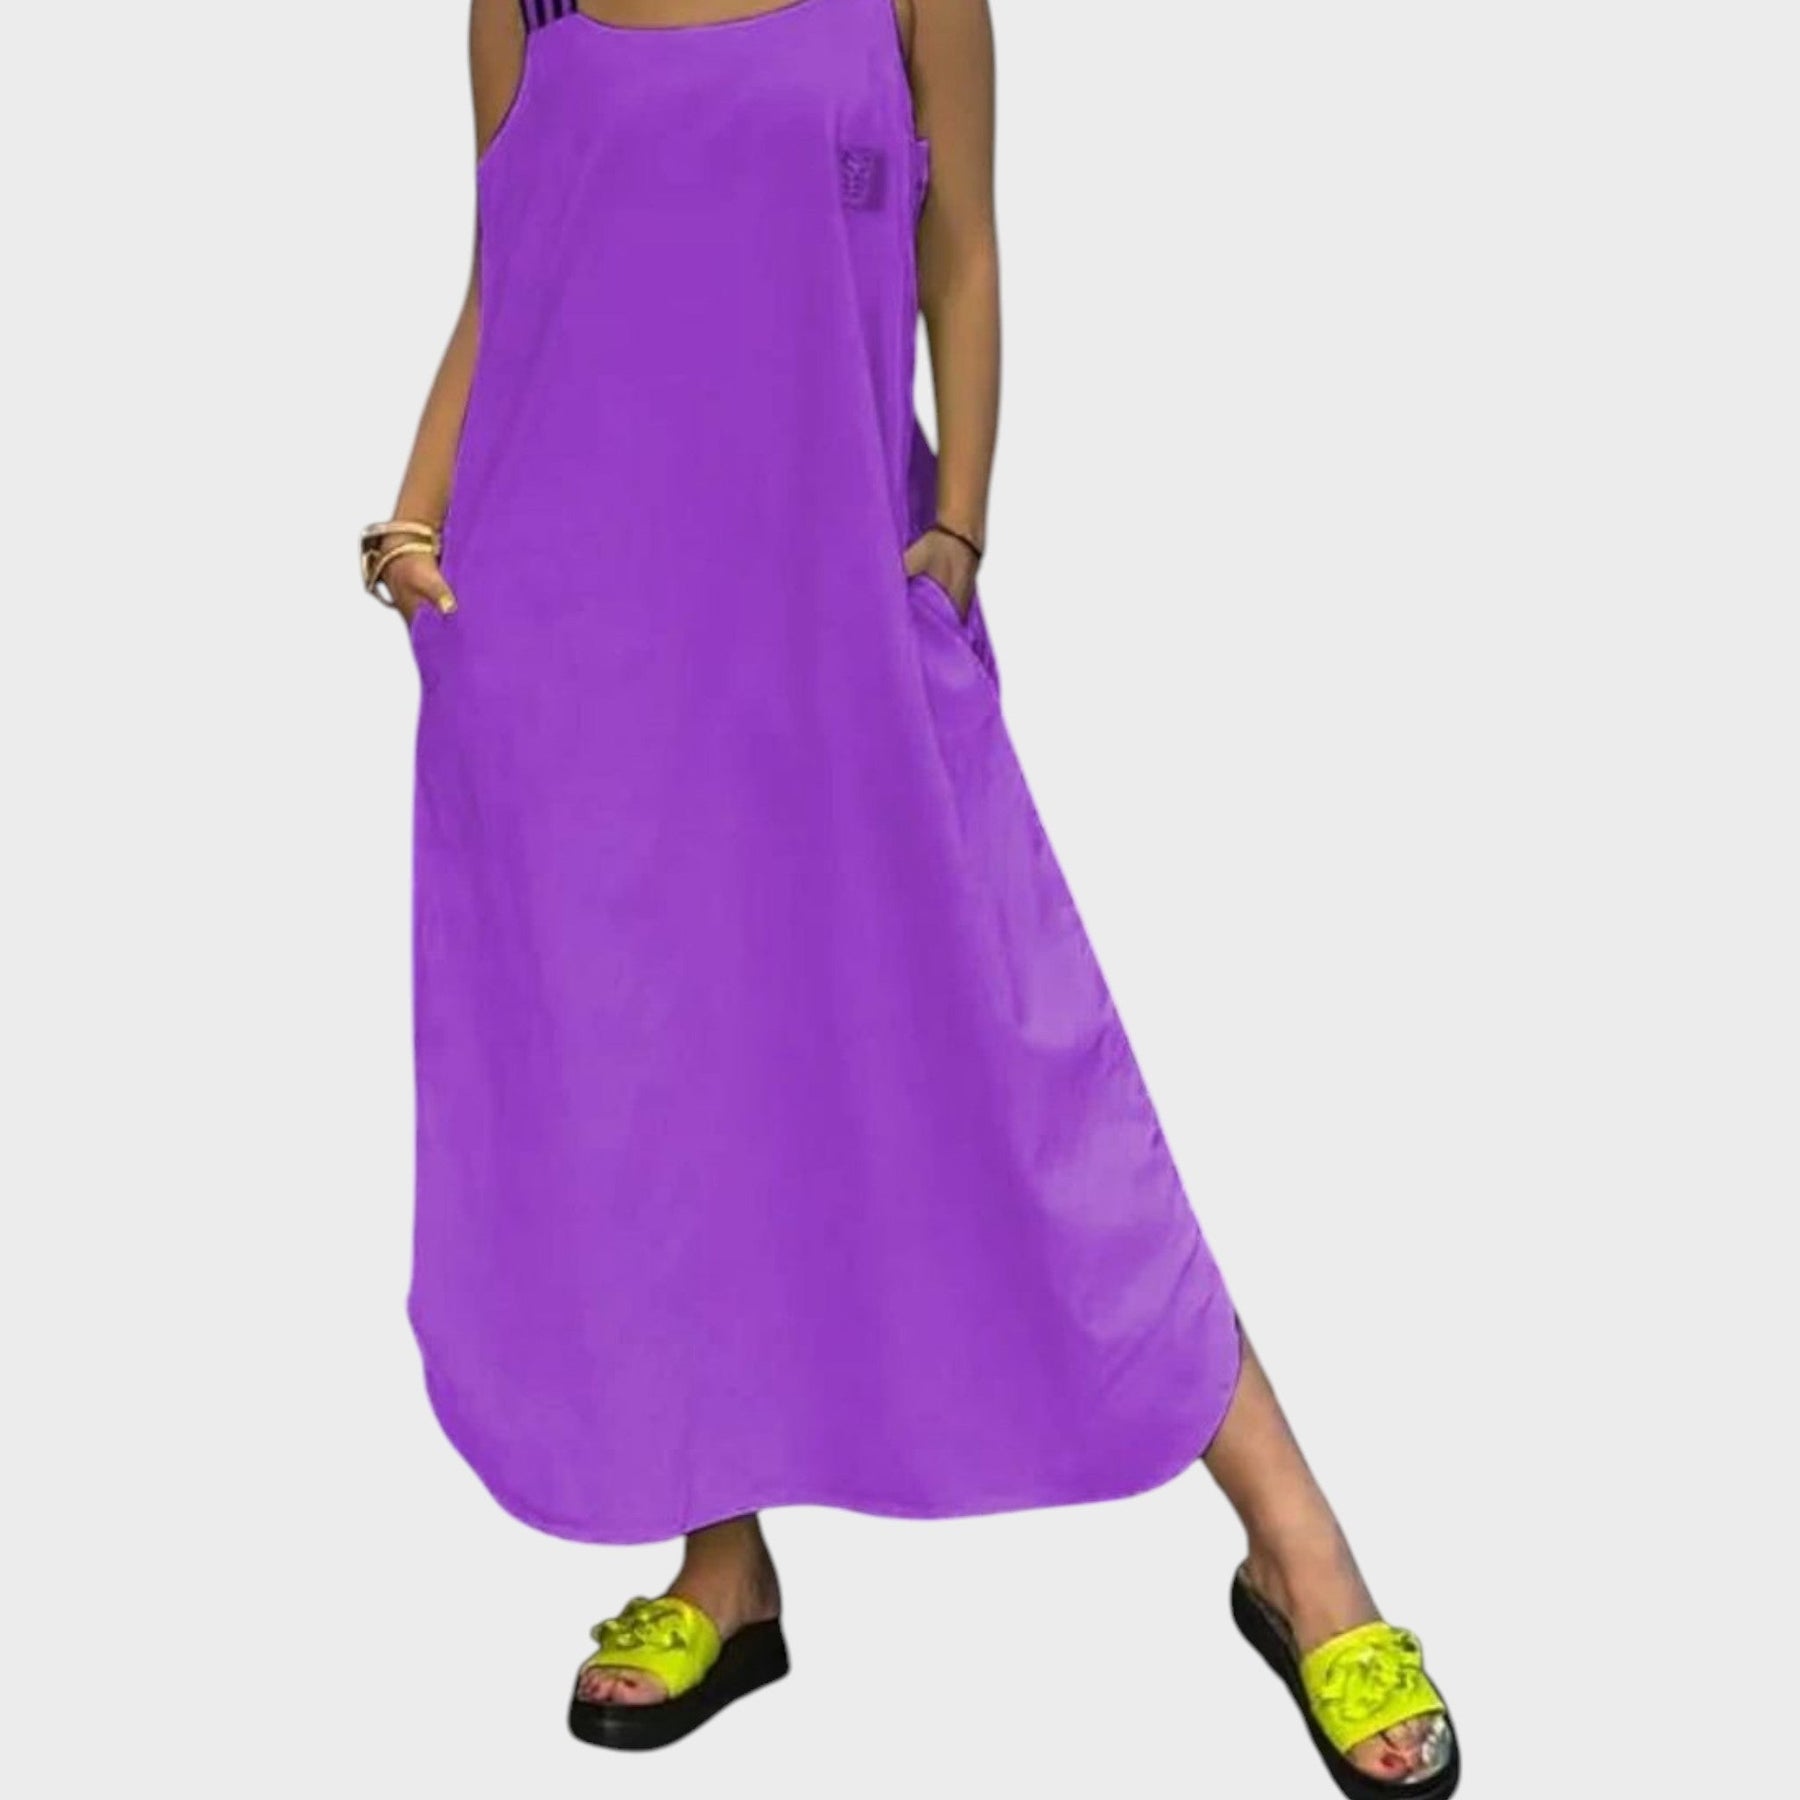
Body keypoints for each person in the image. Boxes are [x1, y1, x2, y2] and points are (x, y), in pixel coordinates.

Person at [362, 3, 1460, 1790]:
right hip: (570, 620)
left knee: (1011, 1068)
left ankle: (1299, 1549)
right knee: (657, 1082)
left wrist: (956, 529)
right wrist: (414, 516)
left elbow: (964, 250)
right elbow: (511, 269)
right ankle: (722, 1567)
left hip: (834, 598)